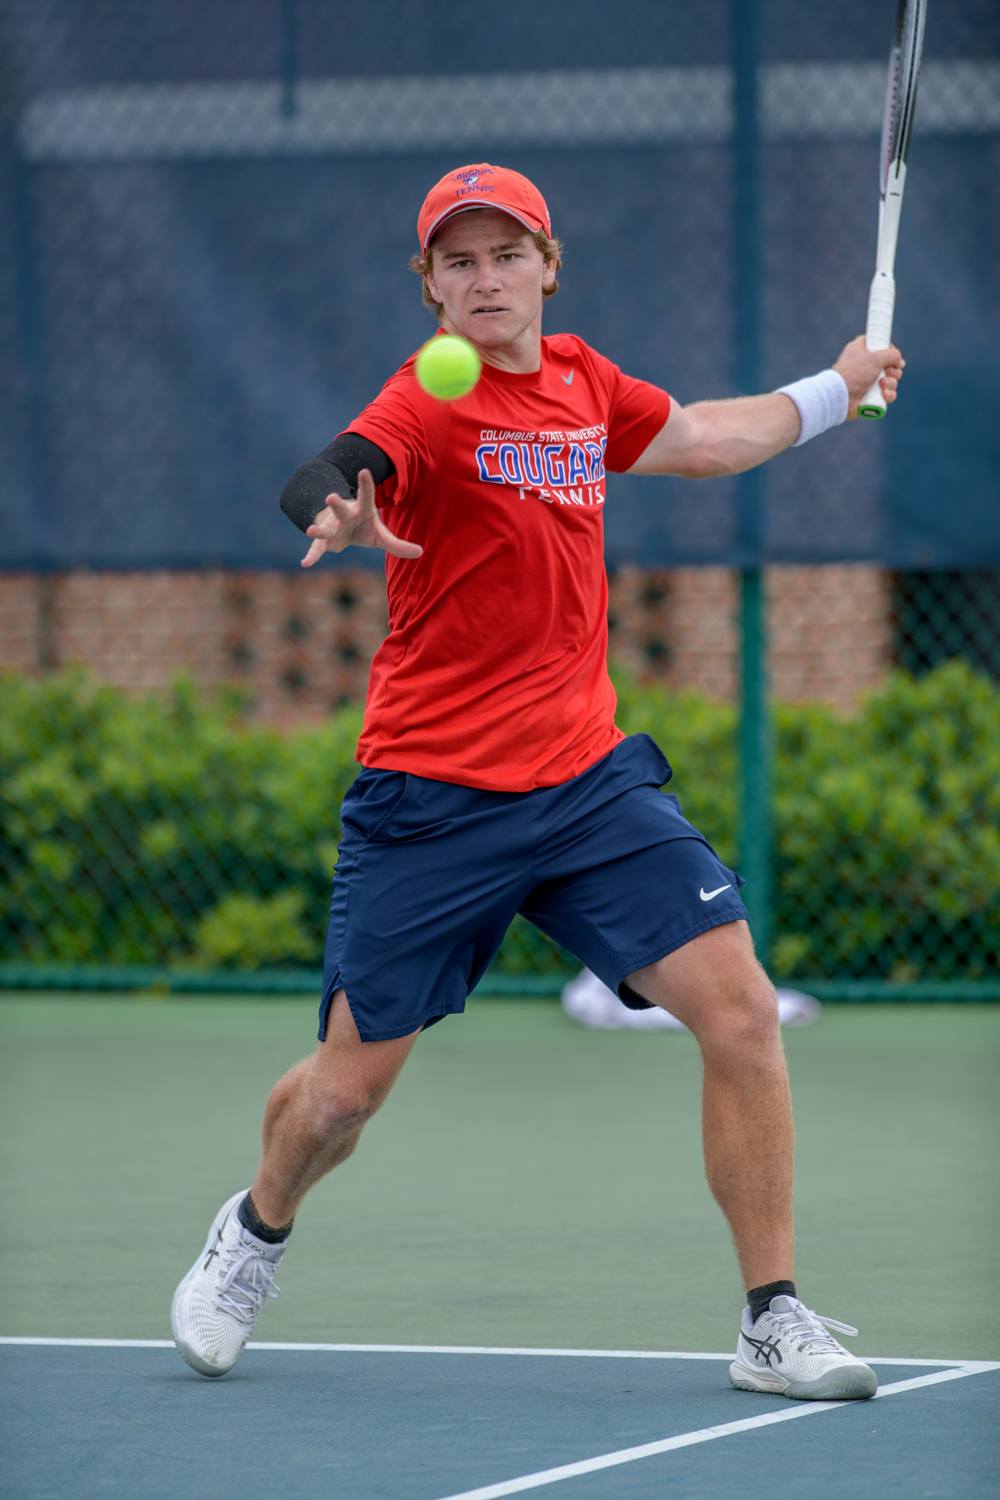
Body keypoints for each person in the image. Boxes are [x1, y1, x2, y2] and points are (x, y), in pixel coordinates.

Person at [171, 163, 903, 1398]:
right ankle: (253, 1229)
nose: (484, 276)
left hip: (583, 784)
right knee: (345, 1098)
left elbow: (700, 438)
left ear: (545, 266)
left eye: (505, 253)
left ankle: (771, 1318)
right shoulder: (424, 400)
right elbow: (334, 465)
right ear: (432, 291)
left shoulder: (582, 383)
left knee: (735, 1011)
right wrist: (339, 508)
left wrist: (836, 389)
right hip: (430, 797)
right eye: (457, 261)